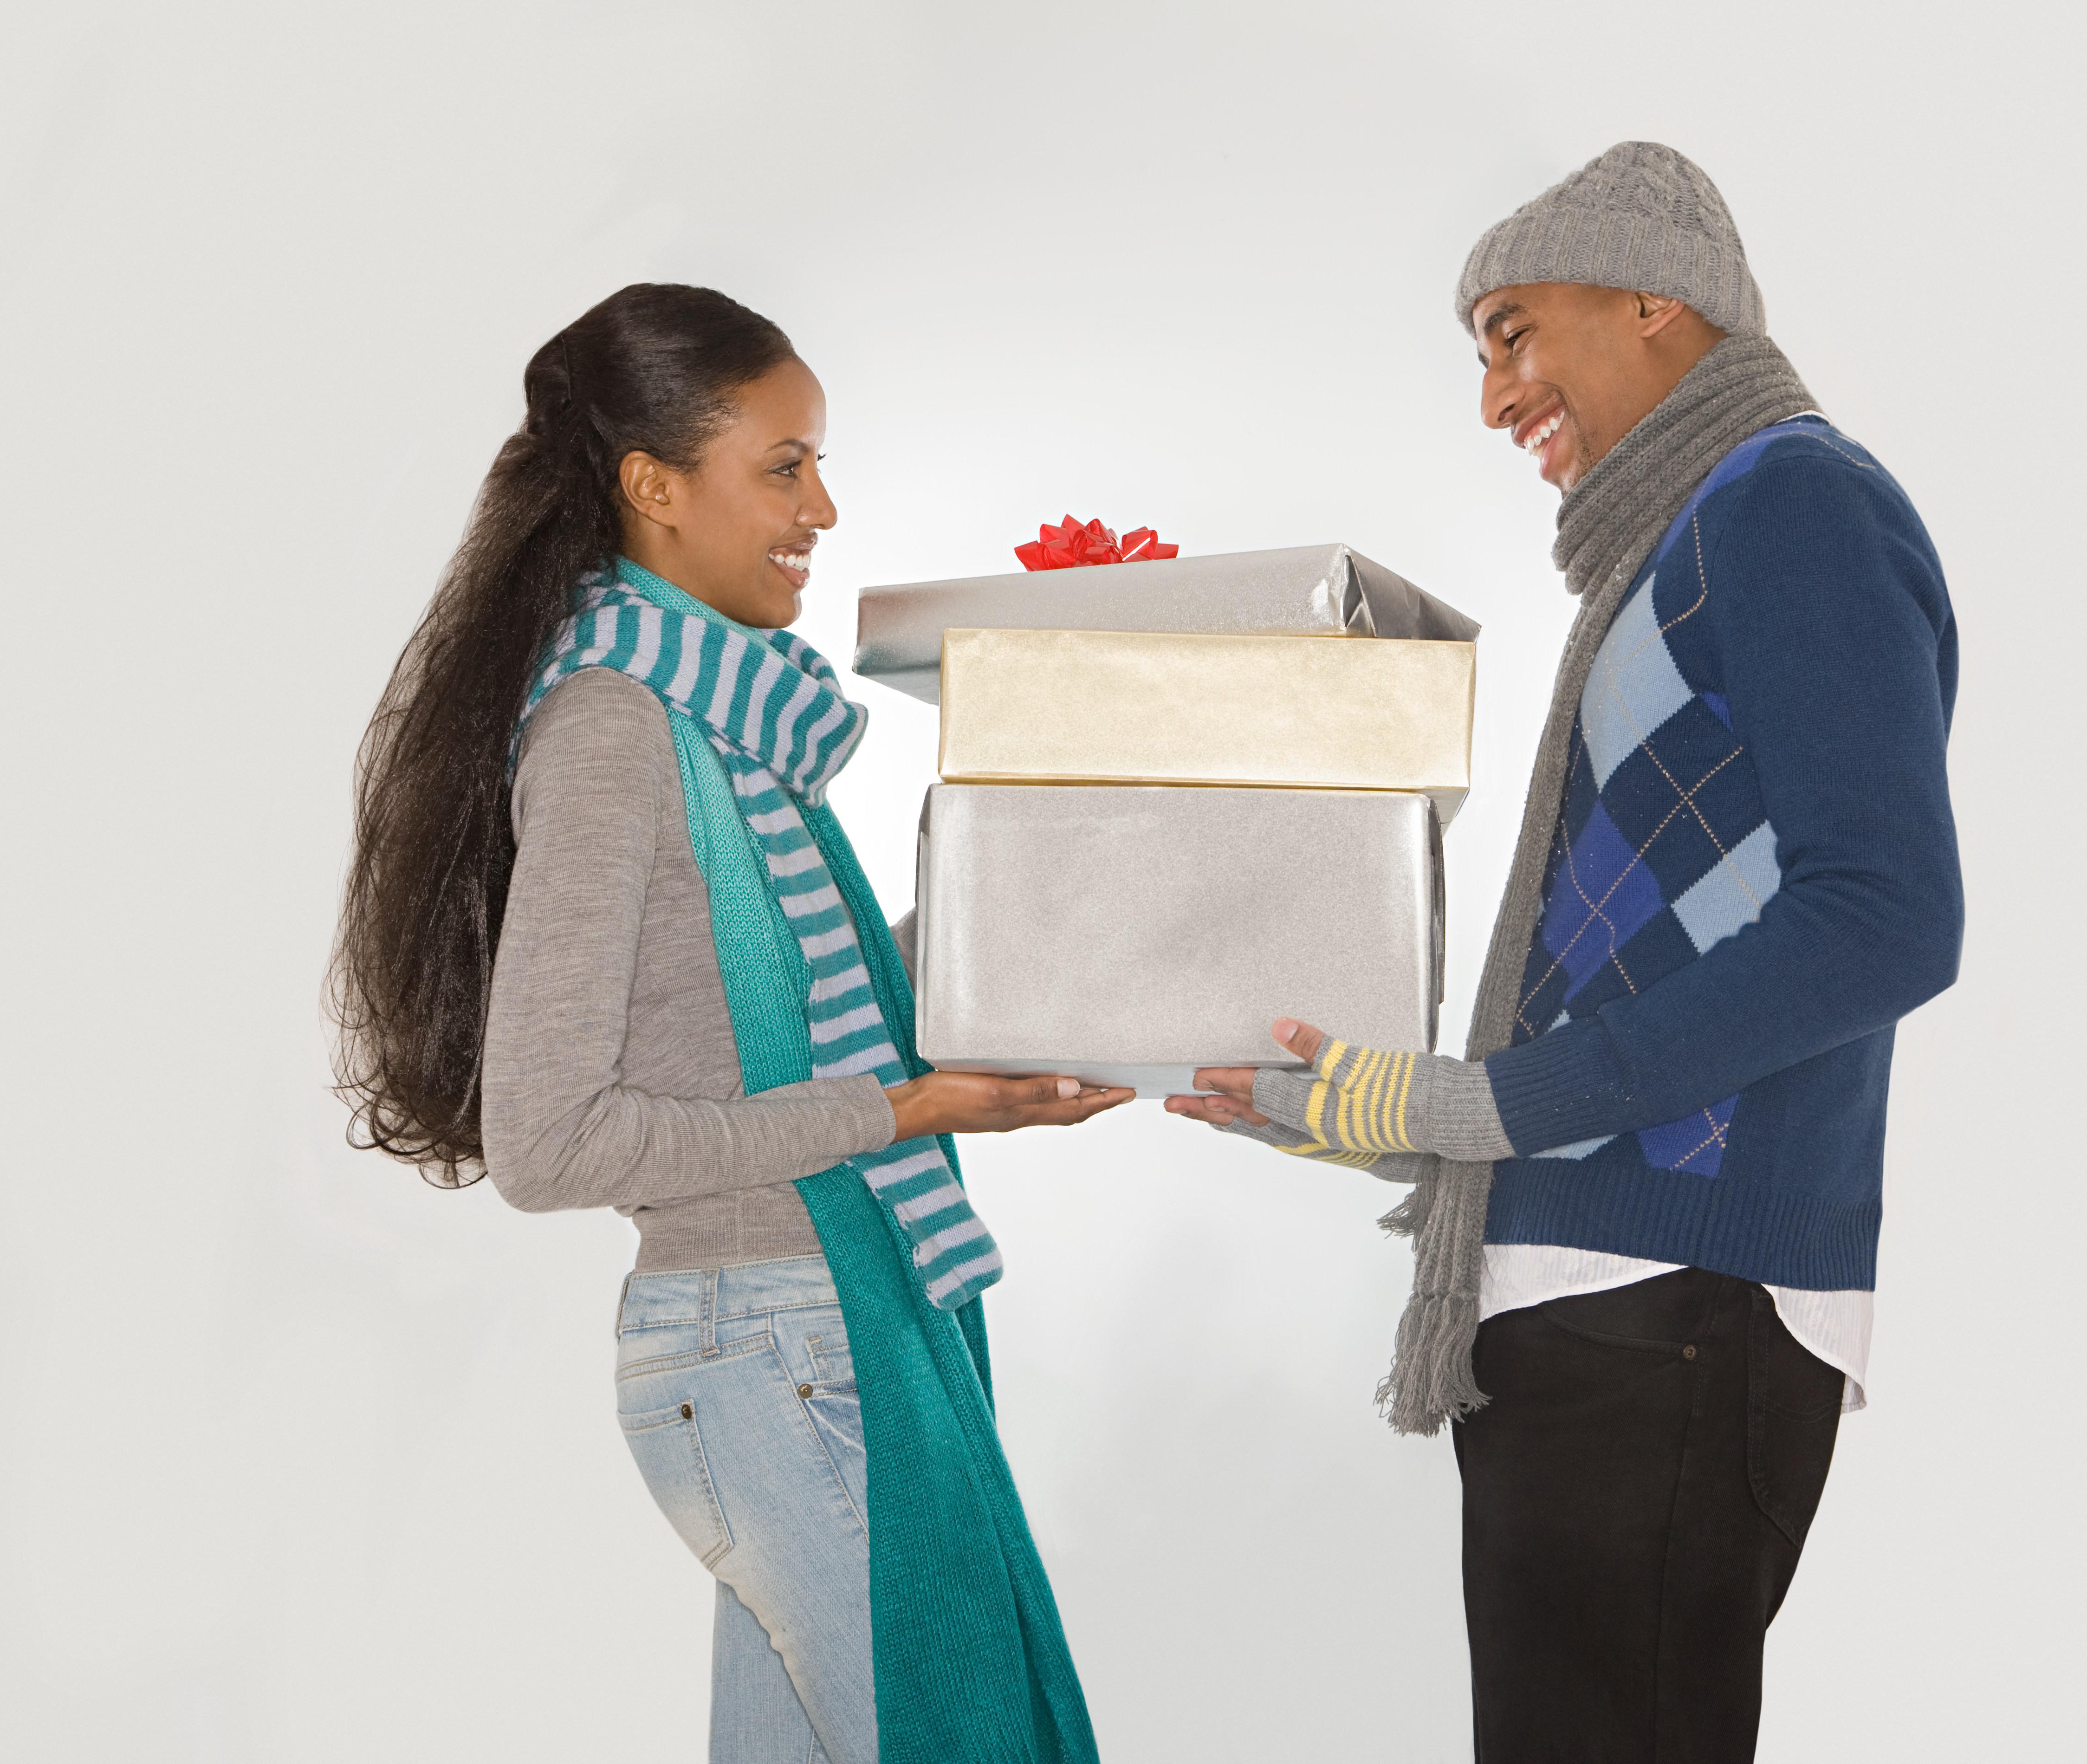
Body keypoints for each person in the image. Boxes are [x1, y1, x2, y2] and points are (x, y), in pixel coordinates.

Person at [1169, 144, 1964, 1761]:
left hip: (1671, 1295)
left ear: (1657, 301)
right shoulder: (1681, 545)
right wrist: (1380, 1111)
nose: (1492, 396)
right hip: (1603, 1292)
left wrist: (1479, 1107)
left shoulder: (1790, 501)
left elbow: (1882, 919)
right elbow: (1642, 953)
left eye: (1514, 332)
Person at [331, 283, 1127, 1764]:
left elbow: (834, 1017)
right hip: (776, 1340)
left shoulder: (727, 729)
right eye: (784, 466)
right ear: (654, 486)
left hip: (808, 1328)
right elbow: (552, 1142)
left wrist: (1033, 849)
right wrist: (909, 1111)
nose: (822, 507)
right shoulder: (615, 729)